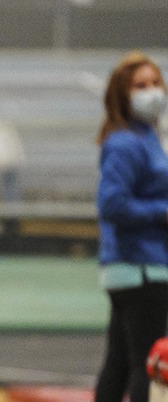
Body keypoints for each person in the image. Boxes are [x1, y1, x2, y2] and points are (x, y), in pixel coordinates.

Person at [94, 51, 168, 402]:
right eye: (140, 85)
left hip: (134, 267)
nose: (151, 91)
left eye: (155, 82)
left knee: (120, 362)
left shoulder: (147, 137)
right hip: (141, 268)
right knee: (145, 365)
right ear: (122, 95)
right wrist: (163, 212)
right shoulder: (126, 143)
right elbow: (112, 204)